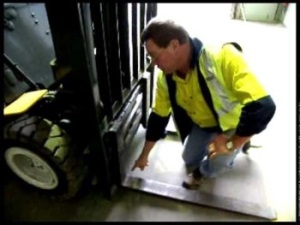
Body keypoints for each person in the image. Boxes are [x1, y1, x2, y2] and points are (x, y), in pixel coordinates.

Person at [131, 17, 276, 189]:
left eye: (154, 56)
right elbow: (158, 118)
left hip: (230, 124)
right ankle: (240, 137)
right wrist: (144, 156)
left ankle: (205, 170)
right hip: (205, 124)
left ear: (174, 45)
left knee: (219, 160)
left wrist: (232, 143)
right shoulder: (167, 79)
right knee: (188, 158)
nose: (154, 64)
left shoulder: (222, 57)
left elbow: (263, 107)